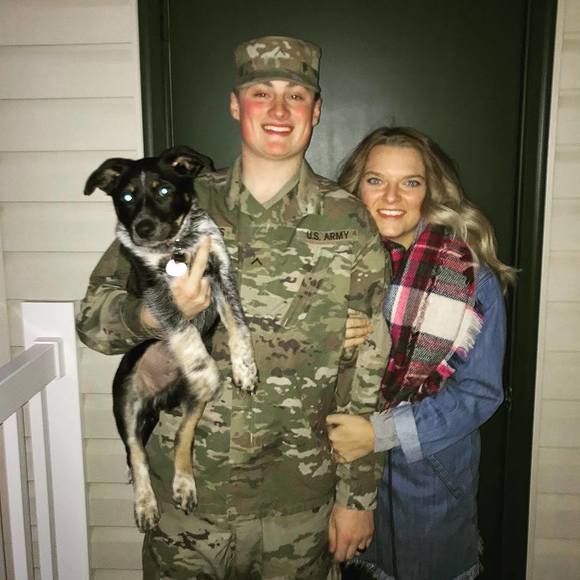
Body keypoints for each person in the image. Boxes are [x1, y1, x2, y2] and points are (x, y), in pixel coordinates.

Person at [76, 36, 391, 579]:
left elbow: (367, 364)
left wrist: (357, 497)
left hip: (297, 504)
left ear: (316, 111)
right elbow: (92, 321)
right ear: (235, 105)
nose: (278, 110)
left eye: (296, 95)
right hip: (188, 503)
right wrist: (151, 314)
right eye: (261, 92)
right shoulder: (175, 198)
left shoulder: (349, 220)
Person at [326, 126, 515, 580]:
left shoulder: (471, 280)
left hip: (428, 480)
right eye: (375, 180)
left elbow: (479, 394)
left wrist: (380, 433)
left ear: (430, 192)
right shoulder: (330, 270)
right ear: (355, 188)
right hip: (336, 474)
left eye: (410, 182)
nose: (391, 196)